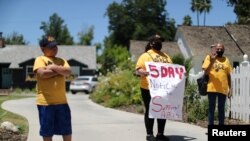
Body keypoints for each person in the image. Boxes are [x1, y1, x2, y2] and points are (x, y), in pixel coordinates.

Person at [33, 35, 72, 141]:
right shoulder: (40, 59)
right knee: (47, 132)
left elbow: (68, 72)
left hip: (62, 102)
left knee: (67, 130)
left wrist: (53, 67)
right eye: (51, 47)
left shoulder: (61, 60)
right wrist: (60, 71)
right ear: (42, 49)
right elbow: (43, 74)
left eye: (55, 46)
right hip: (45, 103)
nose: (54, 49)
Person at [135, 34, 172, 141]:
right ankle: (149, 134)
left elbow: (172, 70)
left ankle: (160, 134)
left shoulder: (166, 56)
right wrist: (144, 72)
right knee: (150, 110)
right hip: (148, 88)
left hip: (163, 88)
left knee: (162, 110)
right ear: (151, 43)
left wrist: (180, 74)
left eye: (160, 40)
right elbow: (137, 70)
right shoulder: (145, 55)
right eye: (157, 40)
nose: (159, 42)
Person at [202, 43, 232, 125]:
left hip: (223, 89)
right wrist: (212, 61)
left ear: (224, 50)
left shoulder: (226, 60)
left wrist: (230, 89)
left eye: (221, 48)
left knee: (221, 109)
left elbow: (228, 75)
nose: (219, 50)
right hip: (212, 87)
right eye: (218, 48)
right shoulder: (209, 57)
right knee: (211, 108)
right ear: (215, 49)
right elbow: (206, 72)